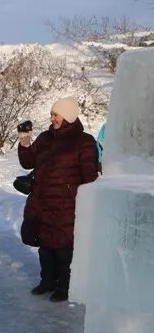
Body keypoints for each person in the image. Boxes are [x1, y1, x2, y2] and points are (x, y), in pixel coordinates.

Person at [18, 97, 98, 303]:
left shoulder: (84, 141)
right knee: (45, 246)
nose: (51, 118)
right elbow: (28, 163)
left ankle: (64, 286)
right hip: (42, 201)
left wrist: (85, 202)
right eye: (52, 114)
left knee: (63, 248)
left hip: (66, 204)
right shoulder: (45, 138)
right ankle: (47, 282)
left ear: (68, 116)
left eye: (56, 114)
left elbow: (89, 177)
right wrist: (25, 141)